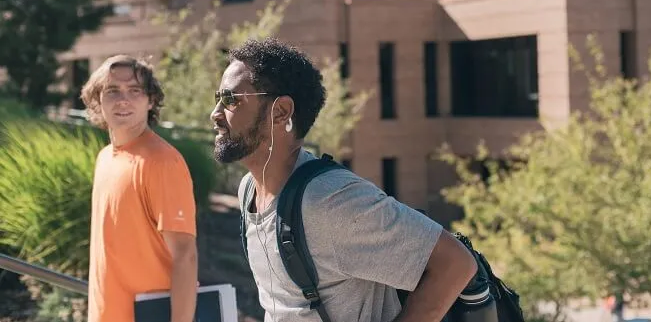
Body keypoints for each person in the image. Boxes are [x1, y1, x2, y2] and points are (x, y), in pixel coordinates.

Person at [210, 38, 478, 322]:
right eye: (218, 98)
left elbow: (454, 264)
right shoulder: (249, 190)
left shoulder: (329, 201)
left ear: (281, 112)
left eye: (230, 99)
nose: (215, 114)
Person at [80, 55, 198, 322]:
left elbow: (185, 255)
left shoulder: (163, 161)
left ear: (151, 100)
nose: (123, 100)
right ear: (98, 100)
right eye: (112, 91)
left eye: (135, 91)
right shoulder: (105, 158)